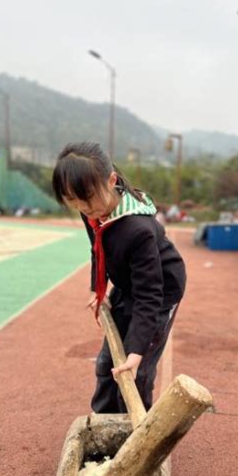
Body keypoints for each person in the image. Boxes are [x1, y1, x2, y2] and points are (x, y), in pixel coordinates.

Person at [52, 142, 186, 413]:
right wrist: (97, 289)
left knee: (136, 370)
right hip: (128, 282)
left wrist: (138, 350)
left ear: (111, 180)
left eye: (86, 198)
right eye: (71, 199)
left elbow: (150, 295)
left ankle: (137, 431)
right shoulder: (90, 206)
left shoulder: (138, 230)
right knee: (106, 364)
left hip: (159, 292)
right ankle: (104, 419)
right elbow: (97, 248)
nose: (81, 206)